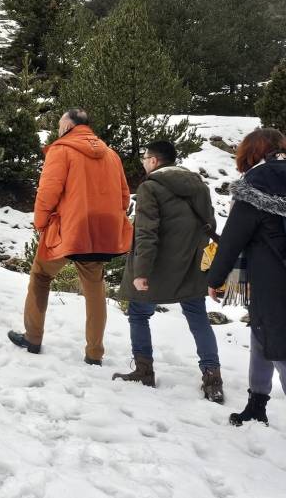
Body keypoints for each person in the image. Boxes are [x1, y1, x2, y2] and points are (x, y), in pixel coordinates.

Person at [207, 128, 286, 456]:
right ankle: (256, 405)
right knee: (263, 341)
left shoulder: (254, 186)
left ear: (251, 152)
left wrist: (215, 277)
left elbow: (233, 238)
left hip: (270, 282)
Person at [7, 108, 131, 365]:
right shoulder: (111, 154)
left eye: (61, 124)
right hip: (102, 231)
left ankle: (33, 337)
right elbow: (124, 196)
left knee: (41, 276)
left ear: (69, 126)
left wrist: (40, 223)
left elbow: (48, 191)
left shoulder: (61, 149)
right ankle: (94, 353)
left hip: (72, 230)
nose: (59, 129)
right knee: (95, 287)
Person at [113, 140, 224, 403]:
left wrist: (141, 272)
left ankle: (144, 370)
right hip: (192, 264)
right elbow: (210, 222)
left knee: (139, 313)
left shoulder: (150, 188)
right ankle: (212, 379)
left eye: (144, 157)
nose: (143, 162)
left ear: (154, 161)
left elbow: (146, 232)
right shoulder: (198, 185)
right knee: (198, 317)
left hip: (158, 267)